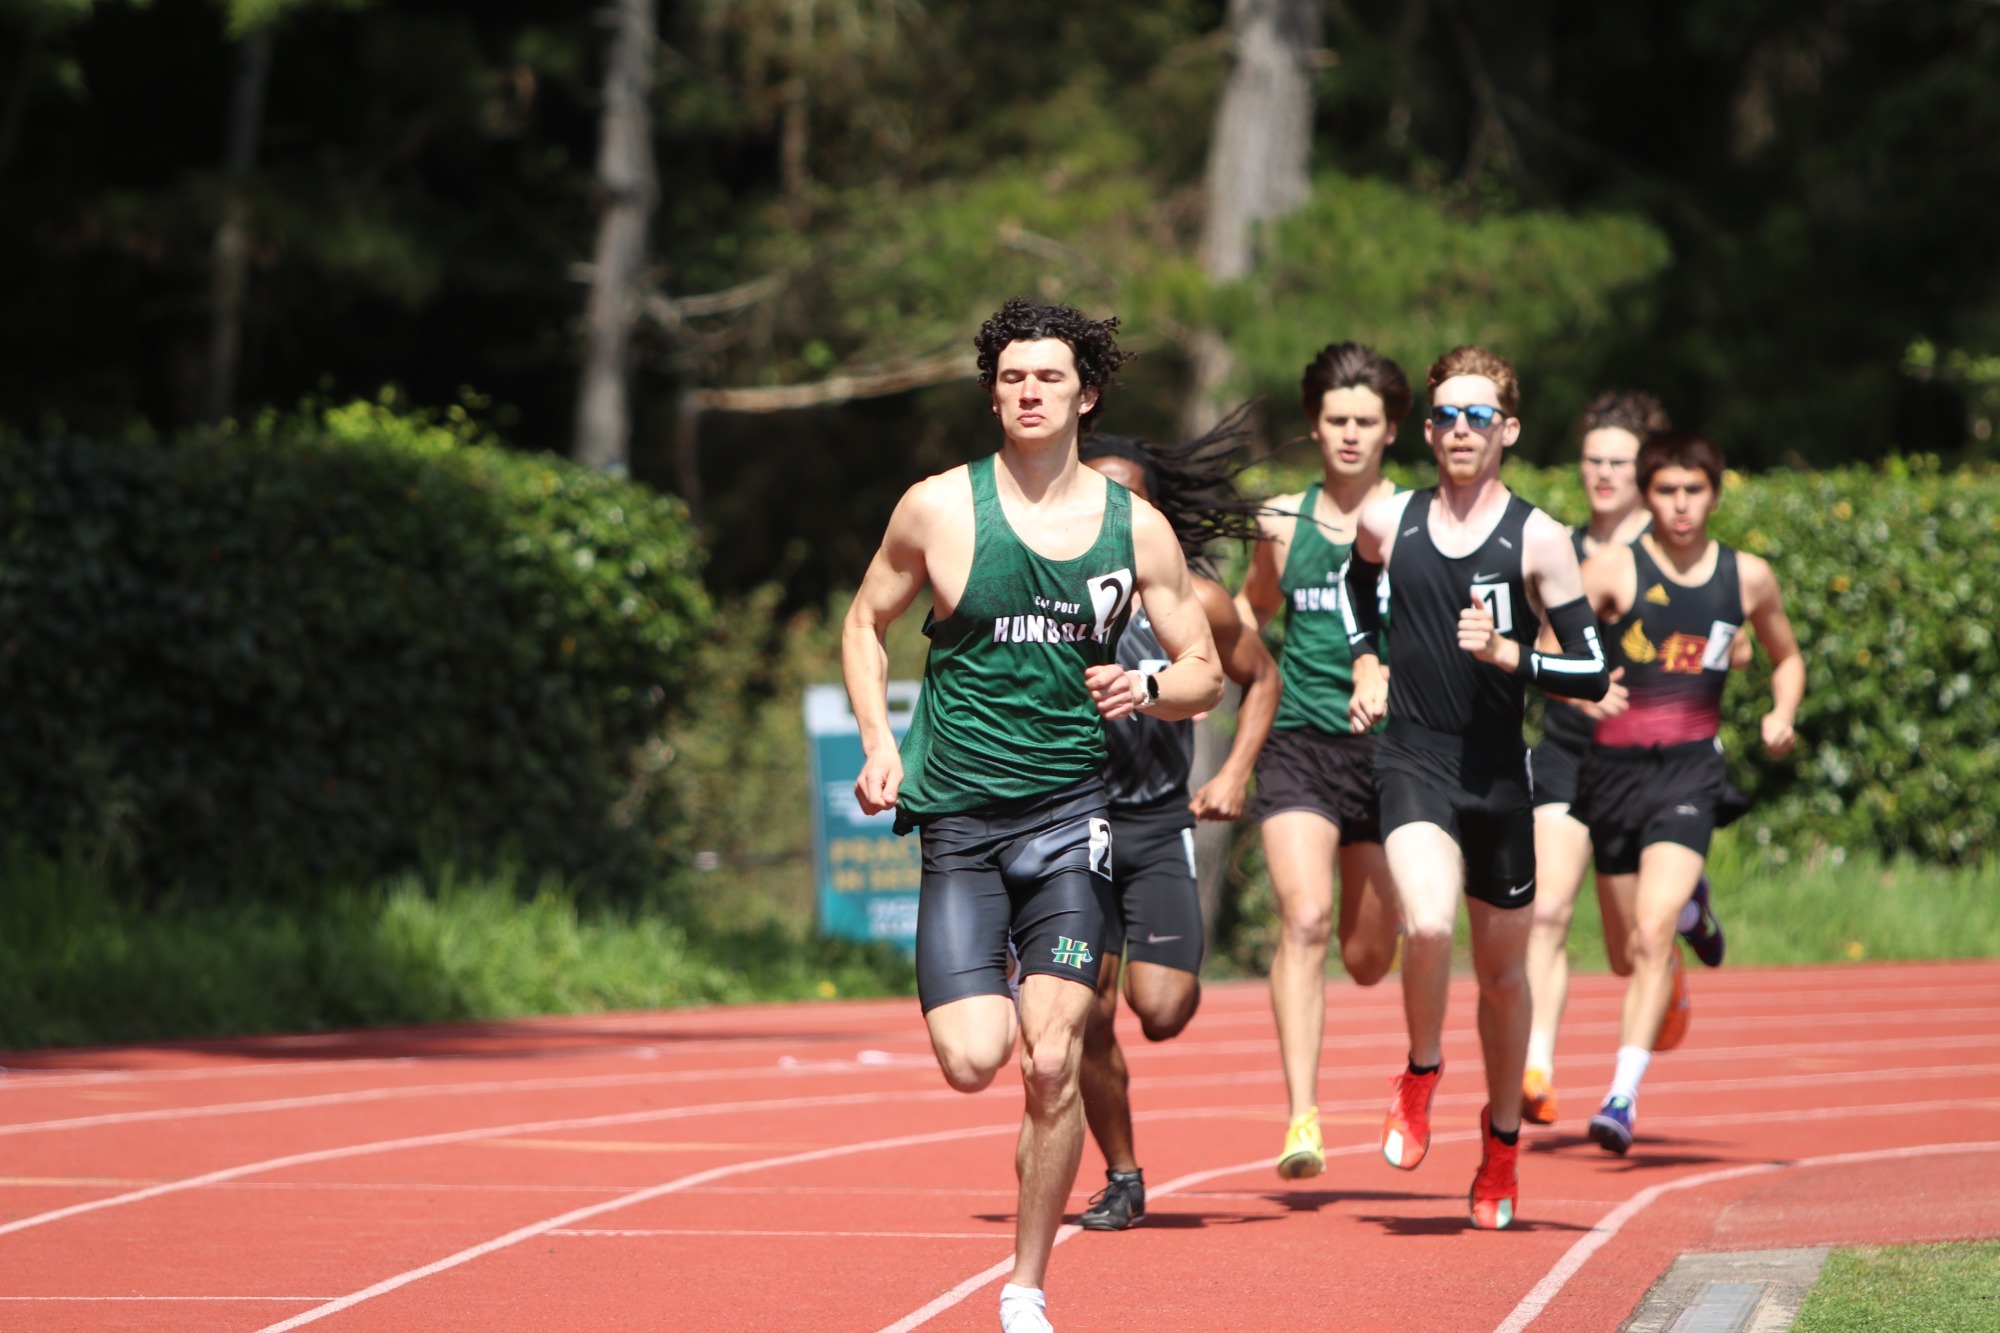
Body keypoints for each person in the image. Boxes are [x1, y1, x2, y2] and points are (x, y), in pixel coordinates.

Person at [842, 298, 1223, 1333]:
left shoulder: (1132, 526)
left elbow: (1204, 668)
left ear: (1084, 395)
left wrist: (1148, 687)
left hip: (1070, 819)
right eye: (1011, 377)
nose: (1028, 392)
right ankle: (1008, 991)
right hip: (961, 822)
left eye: (1048, 376)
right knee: (974, 1059)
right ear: (992, 393)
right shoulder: (937, 508)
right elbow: (865, 621)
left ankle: (1024, 1287)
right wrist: (880, 740)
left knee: (1052, 1058)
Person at [1342, 344, 1611, 1230]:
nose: (1462, 430)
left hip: (1498, 774)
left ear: (1509, 429)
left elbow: (1592, 668)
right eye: (1447, 416)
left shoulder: (1540, 538)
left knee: (1502, 979)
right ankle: (1421, 1072)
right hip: (1412, 757)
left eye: (1479, 416)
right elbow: (1355, 582)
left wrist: (1510, 653)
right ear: (1428, 431)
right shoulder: (1389, 517)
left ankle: (1500, 1145)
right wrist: (1368, 660)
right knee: (1426, 922)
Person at [1070, 409, 1282, 1231]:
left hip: (1157, 825)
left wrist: (1232, 771)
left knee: (1161, 1010)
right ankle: (1123, 1174)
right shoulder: (1047, 596)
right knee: (1086, 1011)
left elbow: (1260, 678)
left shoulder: (1197, 601)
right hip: (1073, 824)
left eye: (1131, 503)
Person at [1575, 430, 1804, 1155]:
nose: (1680, 505)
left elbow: (1786, 656)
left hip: (1689, 772)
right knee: (1624, 953)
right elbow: (1550, 646)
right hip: (1612, 775)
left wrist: (1781, 713)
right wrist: (1584, 693)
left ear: (1715, 493)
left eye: (1693, 490)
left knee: (1650, 936)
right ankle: (1694, 909)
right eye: (1667, 491)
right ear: (1647, 495)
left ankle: (1621, 1096)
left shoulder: (1747, 577)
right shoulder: (1611, 569)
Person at [1234, 344, 1409, 1180]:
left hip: (1391, 752)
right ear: (1314, 425)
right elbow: (1250, 610)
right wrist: (1228, 673)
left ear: (1391, 429)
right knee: (1303, 919)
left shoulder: (1418, 524)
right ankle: (1302, 1116)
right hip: (1300, 743)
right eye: (1336, 419)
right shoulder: (1281, 521)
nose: (1349, 434)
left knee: (1369, 958)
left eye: (1365, 420)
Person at [1522, 390, 1693, 1127]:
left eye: (1618, 462)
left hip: (1645, 768)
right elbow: (1537, 650)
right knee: (1547, 909)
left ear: (1645, 470)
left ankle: (1668, 949)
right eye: (1592, 460)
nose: (1602, 474)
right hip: (1566, 751)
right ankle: (1536, 1064)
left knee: (1629, 951)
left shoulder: (1674, 553)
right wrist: (1576, 688)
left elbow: (1719, 643)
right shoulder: (1556, 547)